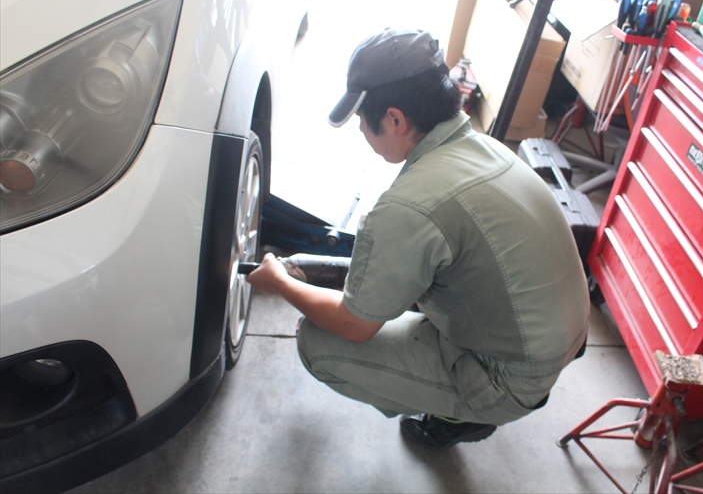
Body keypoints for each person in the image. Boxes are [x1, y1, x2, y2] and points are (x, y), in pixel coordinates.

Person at [246, 28, 590, 450]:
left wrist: (281, 282)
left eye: (361, 120)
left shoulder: (408, 207)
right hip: (556, 338)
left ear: (394, 119)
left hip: (507, 378)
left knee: (317, 341)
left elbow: (355, 327)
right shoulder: (488, 149)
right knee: (416, 278)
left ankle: (458, 414)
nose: (360, 131)